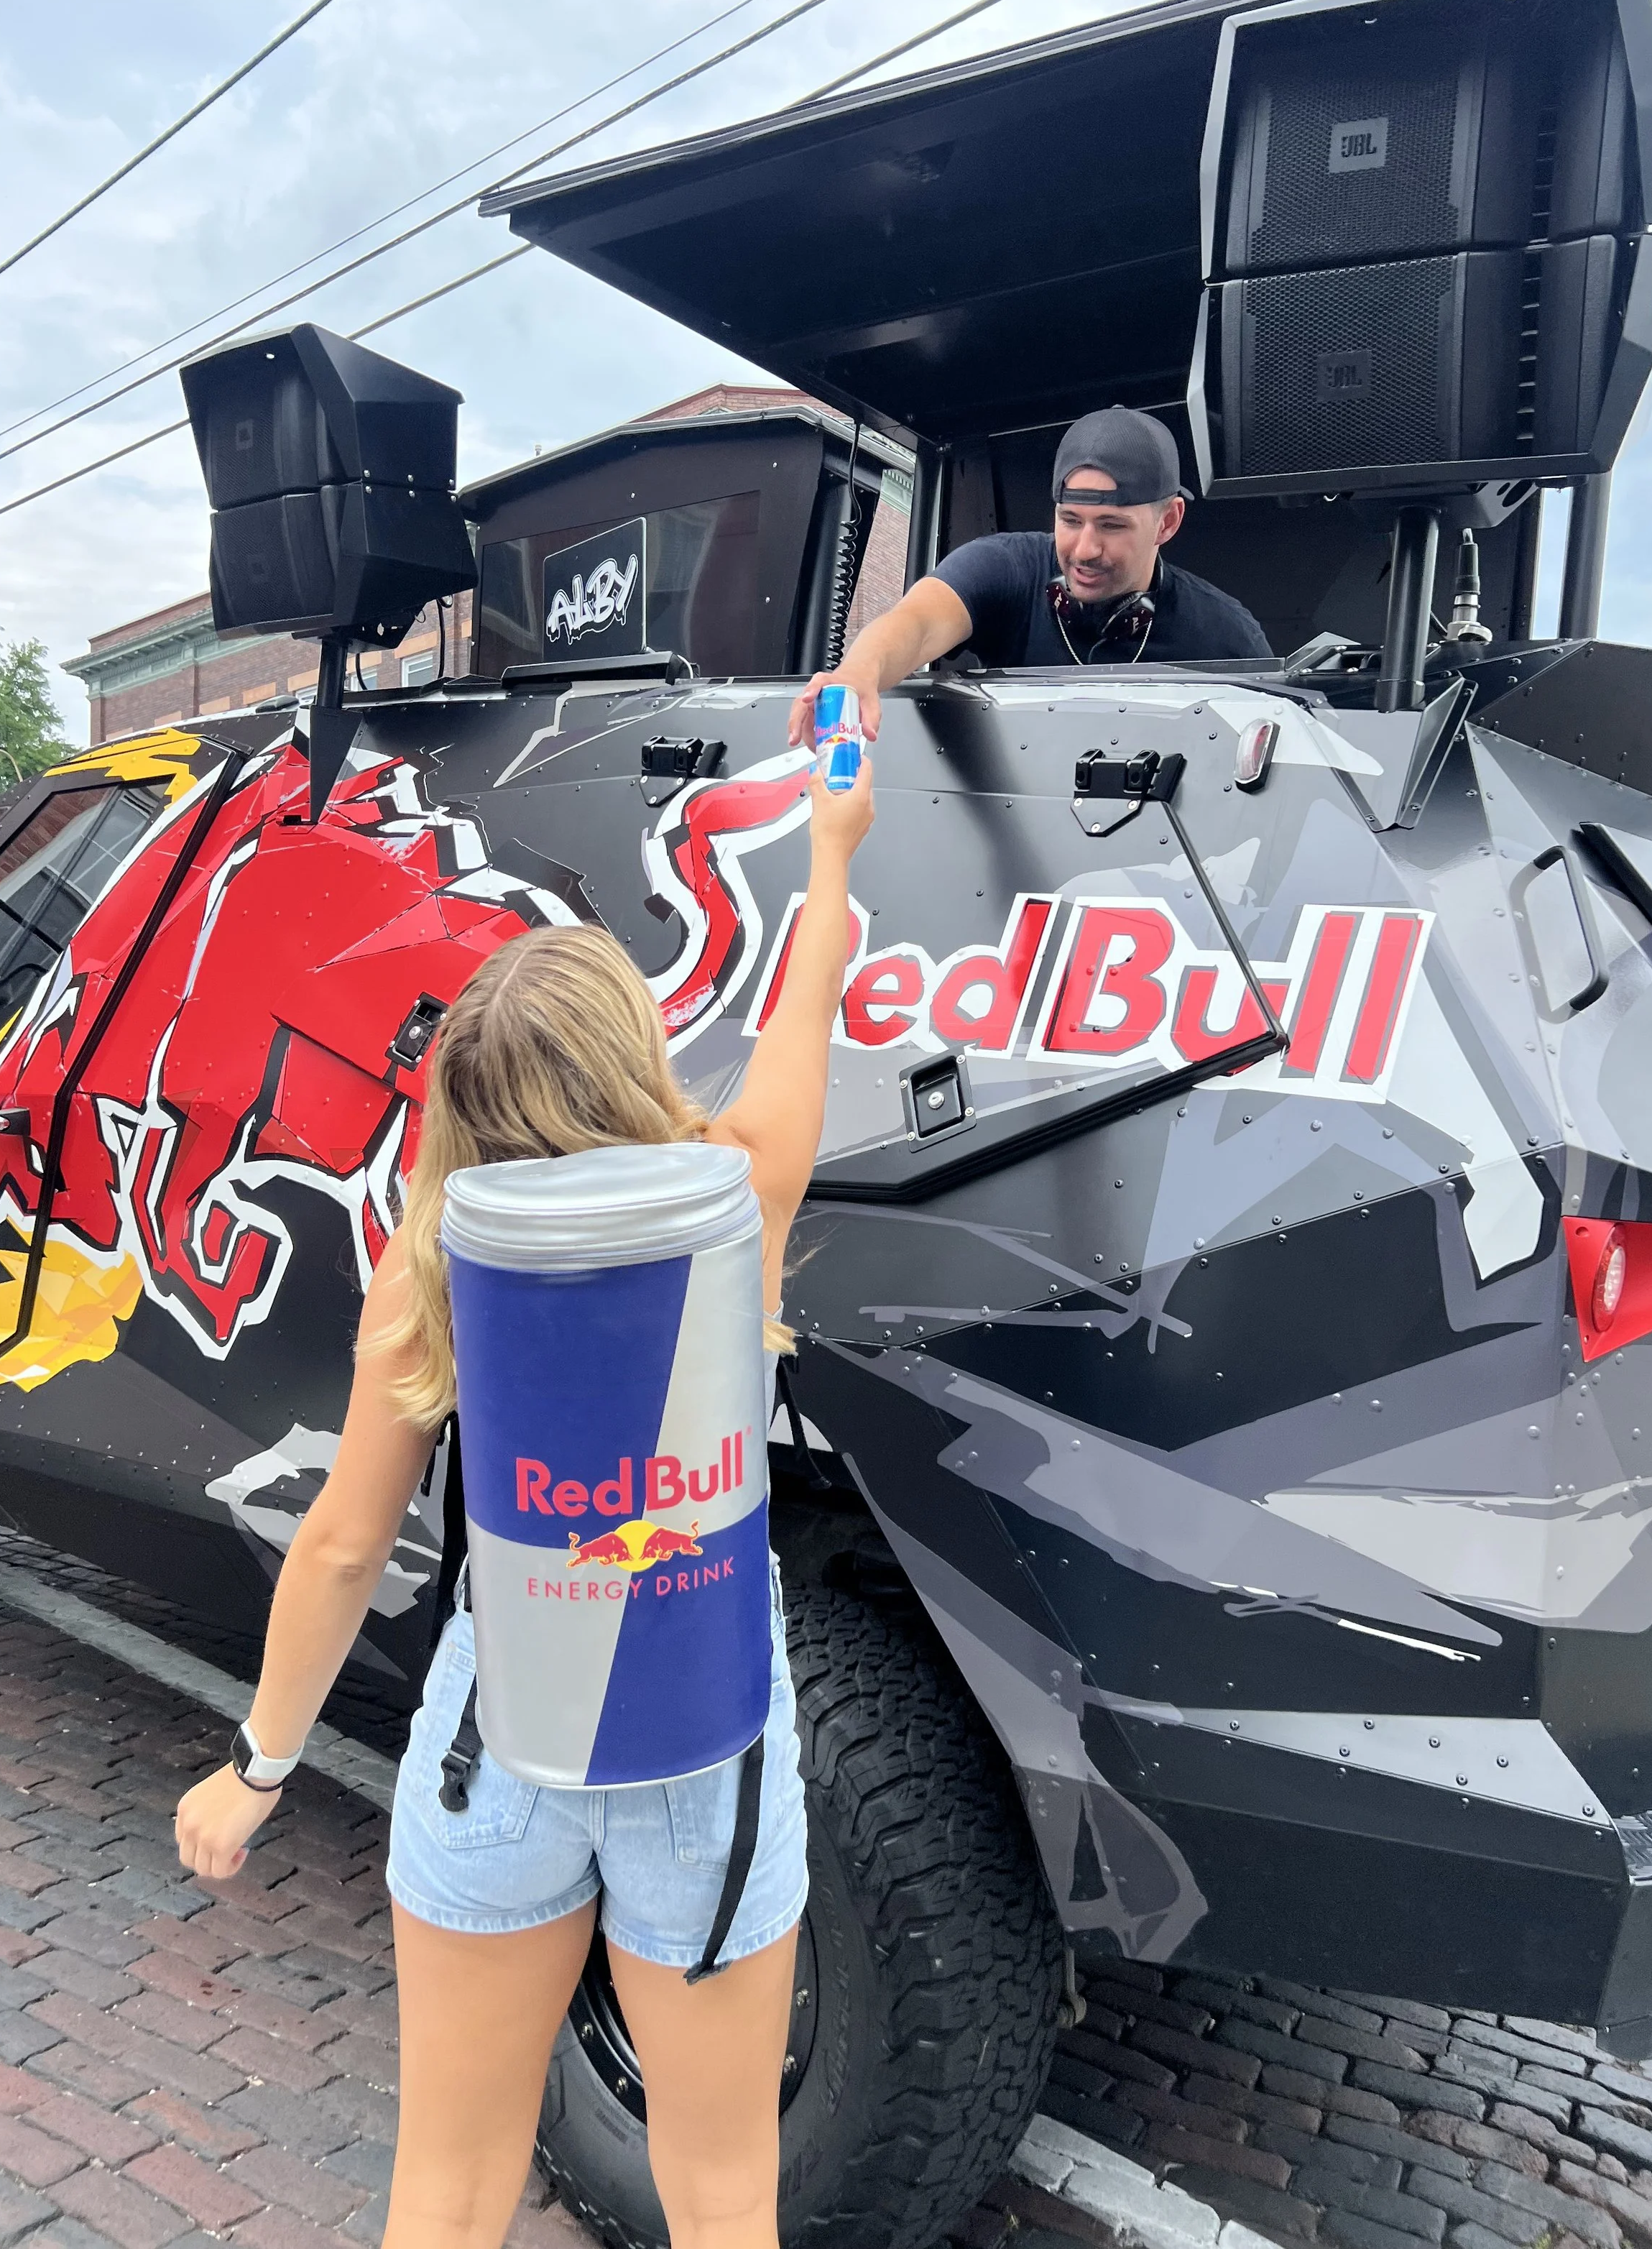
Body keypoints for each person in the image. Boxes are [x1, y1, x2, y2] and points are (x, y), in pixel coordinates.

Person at [174, 761, 875, 2249]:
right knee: (724, 2192)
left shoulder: (422, 1268)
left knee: (446, 2185)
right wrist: (831, 841)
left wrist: (258, 1760)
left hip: (500, 1746)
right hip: (706, 1752)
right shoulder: (735, 1194)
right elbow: (813, 987)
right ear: (631, 1058)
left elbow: (348, 1541)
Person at [788, 407, 1270, 749]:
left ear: (1167, 522)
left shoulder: (1229, 635)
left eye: (1112, 526)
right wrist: (856, 676)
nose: (1084, 549)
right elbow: (916, 620)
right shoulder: (1006, 567)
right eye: (1070, 520)